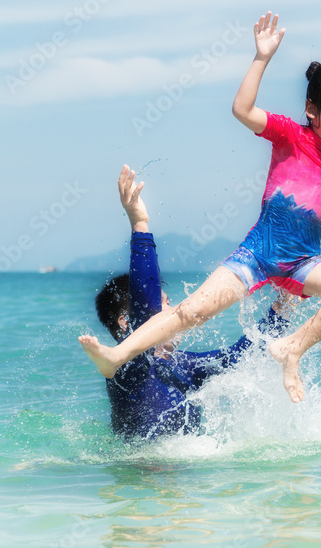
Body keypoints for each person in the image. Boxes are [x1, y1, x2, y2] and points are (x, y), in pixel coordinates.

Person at [80, 12, 321, 403]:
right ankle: (117, 356)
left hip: (303, 262)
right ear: (312, 110)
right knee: (192, 312)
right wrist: (261, 58)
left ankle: (292, 348)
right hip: (255, 254)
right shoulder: (289, 134)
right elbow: (242, 109)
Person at [94, 165, 287, 440]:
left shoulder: (183, 366)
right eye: (165, 304)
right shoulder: (126, 369)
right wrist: (140, 225)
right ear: (126, 322)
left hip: (182, 475)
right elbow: (145, 309)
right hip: (141, 474)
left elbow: (239, 356)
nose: (174, 312)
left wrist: (283, 307)